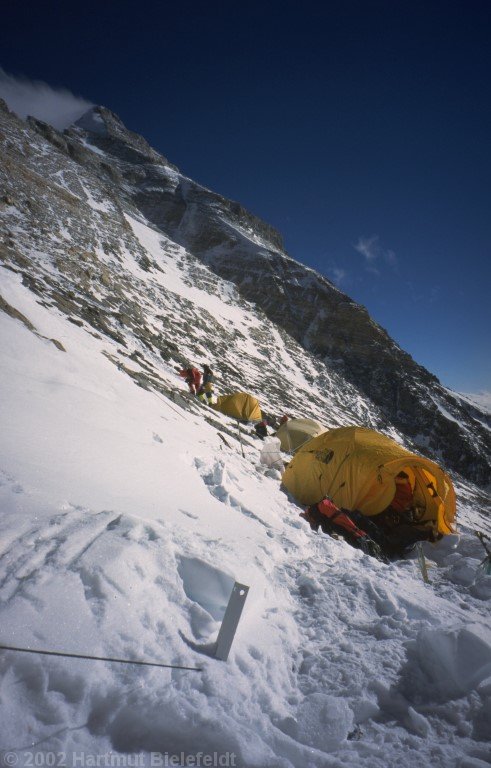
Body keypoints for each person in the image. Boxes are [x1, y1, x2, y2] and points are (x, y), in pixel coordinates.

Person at [301, 497, 389, 563]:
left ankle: (371, 549)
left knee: (352, 532)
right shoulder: (320, 507)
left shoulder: (316, 512)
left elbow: (327, 527)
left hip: (338, 522)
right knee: (354, 531)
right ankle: (372, 549)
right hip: (340, 518)